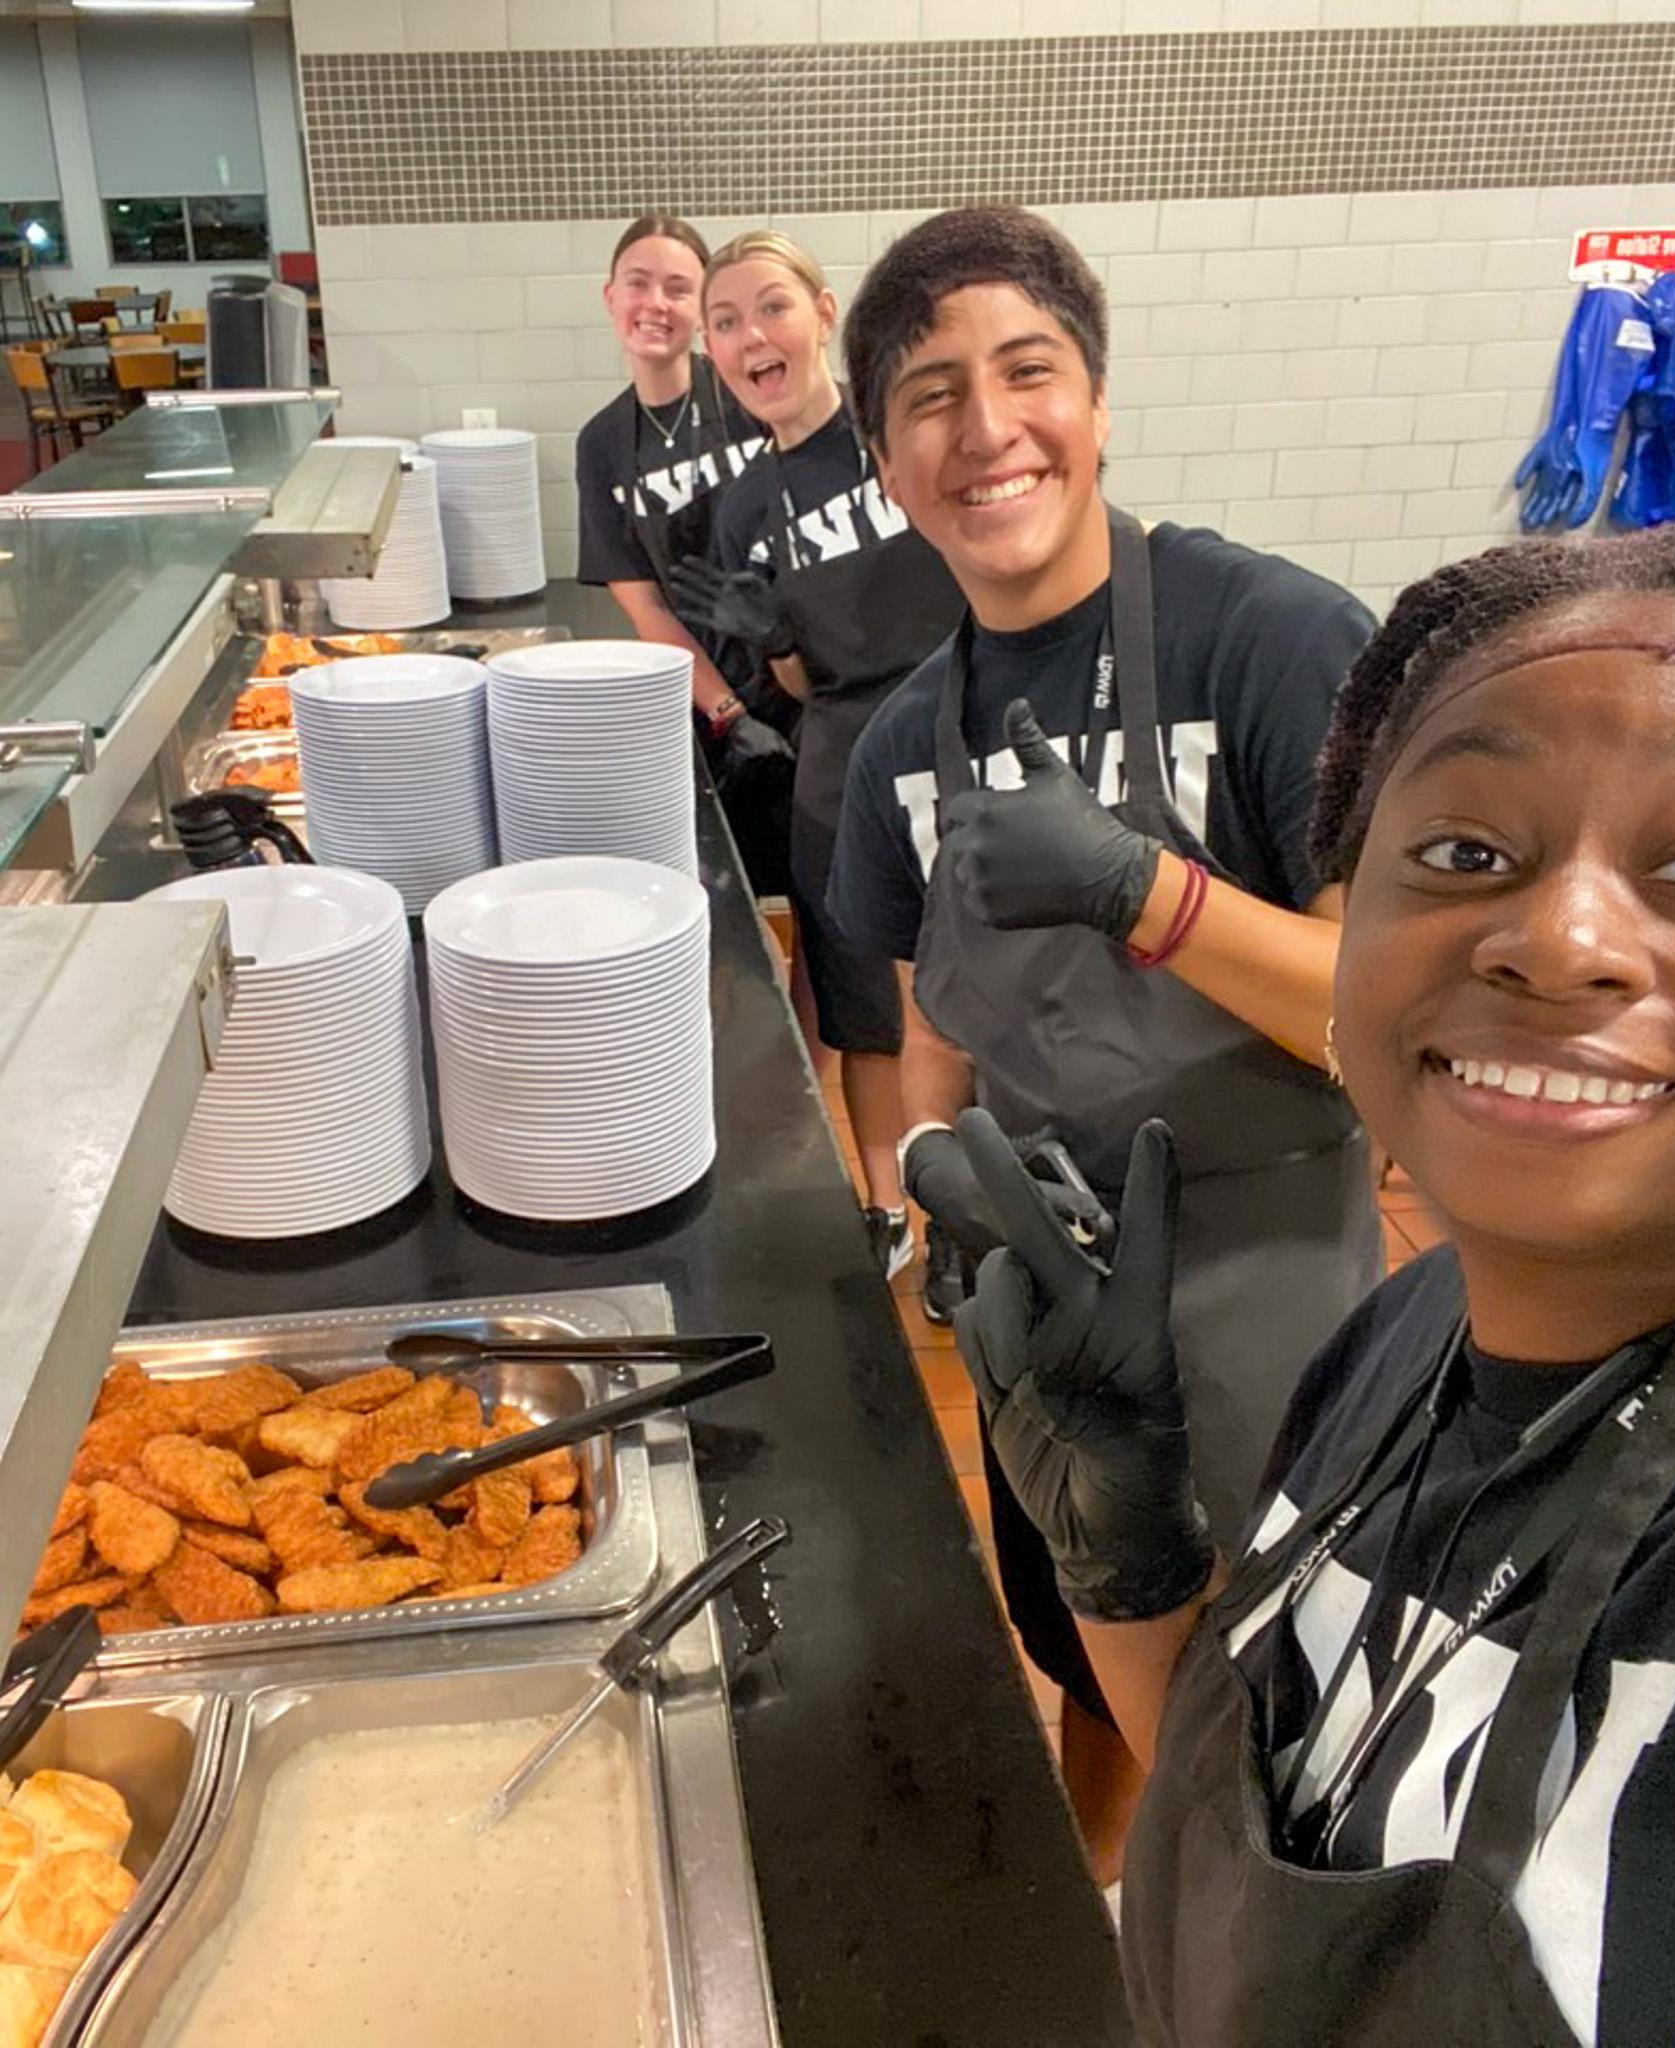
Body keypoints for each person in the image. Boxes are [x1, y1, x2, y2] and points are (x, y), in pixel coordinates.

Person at [952, 511, 1675, 2045]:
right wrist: (1129, 1567)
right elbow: (1282, 1858)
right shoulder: (1395, 1345)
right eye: (1464, 852)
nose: (1562, 940)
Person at [829, 206, 1382, 1879]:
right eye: (927, 396)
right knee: (1090, 1629)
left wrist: (1147, 891)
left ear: (1098, 400)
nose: (984, 428)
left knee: (1307, 1687)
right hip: (1055, 1300)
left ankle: (1276, 1946)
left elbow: (1397, 1014)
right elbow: (933, 1024)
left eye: (1026, 372)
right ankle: (1121, 1915)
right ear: (880, 457)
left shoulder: (1271, 641)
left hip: (1265, 1279)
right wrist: (928, 1179)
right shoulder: (894, 749)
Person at [672, 230, 965, 1276]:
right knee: (866, 1011)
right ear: (712, 352)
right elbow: (797, 690)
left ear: (822, 312)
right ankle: (891, 1214)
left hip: (964, 737)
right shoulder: (741, 509)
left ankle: (976, 1227)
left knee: (988, 991)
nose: (753, 334)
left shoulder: (903, 430)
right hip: (843, 769)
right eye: (727, 320)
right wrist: (776, 636)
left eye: (771, 307)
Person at [573, 213, 792, 894]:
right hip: (717, 714)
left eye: (678, 288)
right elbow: (647, 608)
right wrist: (728, 713)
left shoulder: (754, 396)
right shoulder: (602, 443)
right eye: (639, 283)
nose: (655, 304)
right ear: (609, 295)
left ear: (701, 309)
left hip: (812, 681)